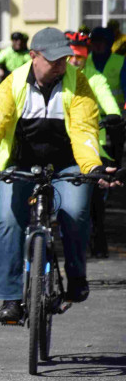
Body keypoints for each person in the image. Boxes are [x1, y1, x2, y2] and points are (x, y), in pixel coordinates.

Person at [0, 27, 118, 324]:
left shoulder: (78, 82)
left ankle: (76, 276)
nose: (61, 65)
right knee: (7, 220)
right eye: (54, 60)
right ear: (33, 57)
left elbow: (85, 130)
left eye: (64, 59)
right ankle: (10, 298)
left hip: (68, 164)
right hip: (21, 164)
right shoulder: (13, 84)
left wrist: (93, 167)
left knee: (75, 212)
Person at [66, 30, 124, 258]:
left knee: (96, 197)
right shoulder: (58, 75)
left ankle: (98, 237)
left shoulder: (95, 77)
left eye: (80, 56)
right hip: (60, 142)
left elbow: (106, 96)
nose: (74, 61)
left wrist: (113, 113)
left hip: (91, 145)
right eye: (71, 56)